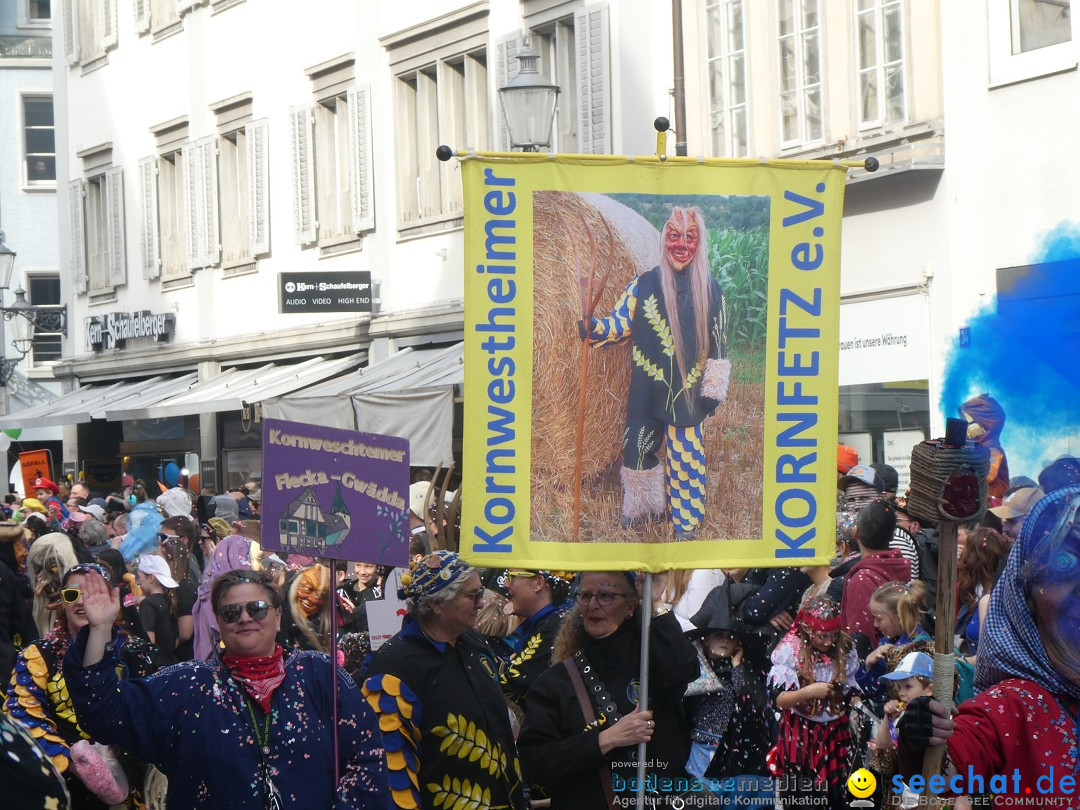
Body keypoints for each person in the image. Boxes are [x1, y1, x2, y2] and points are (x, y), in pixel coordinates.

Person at [65, 567, 390, 809]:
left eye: (257, 608)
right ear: (219, 623)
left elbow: (368, 757)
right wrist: (100, 629)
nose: (245, 618)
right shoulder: (189, 684)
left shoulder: (319, 674)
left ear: (277, 616)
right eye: (231, 612)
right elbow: (103, 712)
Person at [897, 484, 1080, 805]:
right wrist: (923, 738)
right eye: (1066, 568)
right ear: (1028, 597)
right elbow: (940, 773)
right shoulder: (1016, 704)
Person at [581, 206, 730, 539]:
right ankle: (643, 509)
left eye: (689, 238)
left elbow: (719, 344)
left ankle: (686, 522)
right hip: (647, 388)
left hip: (687, 393)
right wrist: (596, 328)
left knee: (686, 457)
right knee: (637, 448)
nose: (681, 245)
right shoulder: (644, 284)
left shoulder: (710, 290)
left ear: (698, 242)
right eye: (674, 237)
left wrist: (712, 390)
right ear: (664, 240)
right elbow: (620, 324)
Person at [518, 571, 699, 809]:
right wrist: (607, 739)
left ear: (630, 606)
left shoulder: (653, 662)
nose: (593, 605)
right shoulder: (555, 682)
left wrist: (655, 601)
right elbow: (536, 764)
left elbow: (683, 670)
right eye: (585, 596)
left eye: (606, 596)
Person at [363, 551, 527, 810]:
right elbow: (392, 770)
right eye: (472, 595)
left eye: (480, 593)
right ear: (438, 603)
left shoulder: (475, 643)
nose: (481, 603)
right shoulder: (396, 665)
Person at [4, 563, 157, 808]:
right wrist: (78, 764)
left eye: (93, 594)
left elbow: (153, 712)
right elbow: (23, 715)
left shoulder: (135, 650)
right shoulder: (40, 654)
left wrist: (123, 766)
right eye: (72, 595)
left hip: (132, 786)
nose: (82, 603)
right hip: (65, 786)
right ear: (62, 602)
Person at [683, 583, 774, 806]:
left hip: (734, 757)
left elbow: (754, 705)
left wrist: (737, 668)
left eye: (731, 637)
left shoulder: (748, 672)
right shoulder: (693, 668)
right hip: (698, 753)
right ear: (705, 638)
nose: (725, 640)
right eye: (718, 635)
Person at [768, 595, 861, 809]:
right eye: (822, 636)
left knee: (838, 793)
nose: (828, 641)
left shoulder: (844, 648)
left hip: (835, 730)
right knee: (804, 796)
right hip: (801, 731)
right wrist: (810, 692)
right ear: (808, 630)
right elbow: (780, 700)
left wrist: (853, 699)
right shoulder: (791, 650)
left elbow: (850, 688)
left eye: (833, 635)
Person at [497, 569, 574, 713]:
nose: (506, 584)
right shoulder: (553, 619)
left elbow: (512, 681)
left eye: (511, 577)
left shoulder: (557, 627)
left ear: (538, 583)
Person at [839, 499, 912, 647]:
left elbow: (860, 640)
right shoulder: (899, 566)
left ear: (856, 532)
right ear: (892, 536)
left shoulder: (862, 580)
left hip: (877, 663)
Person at [954, 526, 1009, 660]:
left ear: (973, 557)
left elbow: (987, 656)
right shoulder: (970, 586)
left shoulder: (992, 598)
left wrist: (954, 664)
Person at [959, 394, 1010, 500]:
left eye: (970, 424)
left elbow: (989, 477)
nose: (966, 428)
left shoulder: (993, 449)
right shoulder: (979, 447)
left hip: (994, 503)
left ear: (984, 425)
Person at [136, 554, 180, 667]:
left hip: (157, 667)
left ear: (151, 578)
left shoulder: (148, 604)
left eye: (140, 578)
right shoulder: (170, 600)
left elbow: (149, 643)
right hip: (171, 662)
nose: (139, 583)